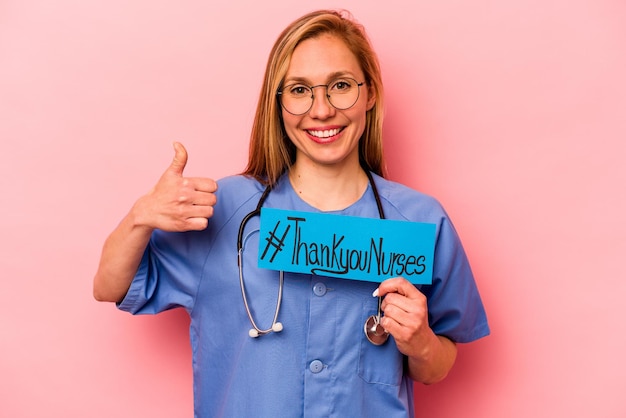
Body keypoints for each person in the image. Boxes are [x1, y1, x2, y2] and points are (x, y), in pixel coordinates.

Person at [93, 9, 489, 418]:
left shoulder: (420, 222)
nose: (321, 111)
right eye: (299, 90)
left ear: (369, 94)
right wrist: (141, 216)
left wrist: (420, 342)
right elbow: (110, 286)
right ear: (278, 104)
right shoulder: (224, 211)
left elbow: (440, 363)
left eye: (340, 85)